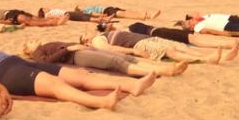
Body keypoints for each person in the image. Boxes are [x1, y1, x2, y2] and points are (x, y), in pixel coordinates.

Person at [0, 48, 157, 110]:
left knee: (80, 75)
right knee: (55, 85)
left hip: (15, 61)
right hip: (4, 74)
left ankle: (133, 85)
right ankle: (100, 102)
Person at [23, 39, 188, 77]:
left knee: (123, 56)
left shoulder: (43, 46)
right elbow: (45, 63)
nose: (32, 41)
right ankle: (161, 70)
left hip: (82, 50)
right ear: (28, 50)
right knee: (115, 62)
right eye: (29, 43)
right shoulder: (37, 53)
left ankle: (158, 68)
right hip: (76, 56)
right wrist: (69, 48)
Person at [81, 26, 239, 64]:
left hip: (145, 38)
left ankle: (212, 56)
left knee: (180, 46)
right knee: (170, 51)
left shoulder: (103, 34)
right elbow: (110, 49)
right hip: (139, 44)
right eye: (85, 35)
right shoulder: (96, 41)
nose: (88, 32)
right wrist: (134, 52)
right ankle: (209, 60)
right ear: (86, 41)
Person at [128, 22, 239, 48]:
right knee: (193, 40)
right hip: (158, 33)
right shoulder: (126, 30)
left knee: (194, 37)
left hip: (160, 30)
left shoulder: (127, 28)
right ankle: (230, 44)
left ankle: (231, 42)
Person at [0, 4, 68, 27]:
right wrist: (5, 22)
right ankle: (54, 22)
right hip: (9, 15)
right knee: (31, 20)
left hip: (11, 12)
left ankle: (55, 20)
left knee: (33, 18)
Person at [75, 4, 161, 20]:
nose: (80, 8)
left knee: (127, 11)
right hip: (106, 11)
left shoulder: (87, 9)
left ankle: (149, 15)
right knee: (125, 14)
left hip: (109, 8)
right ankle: (144, 16)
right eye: (79, 9)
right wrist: (103, 15)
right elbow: (95, 14)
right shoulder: (87, 11)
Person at [37, 7, 114, 24]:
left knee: (84, 14)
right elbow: (55, 18)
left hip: (67, 13)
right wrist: (63, 18)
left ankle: (104, 18)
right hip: (67, 15)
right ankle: (104, 20)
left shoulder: (49, 12)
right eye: (45, 8)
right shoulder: (47, 15)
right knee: (83, 17)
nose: (46, 8)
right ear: (43, 11)